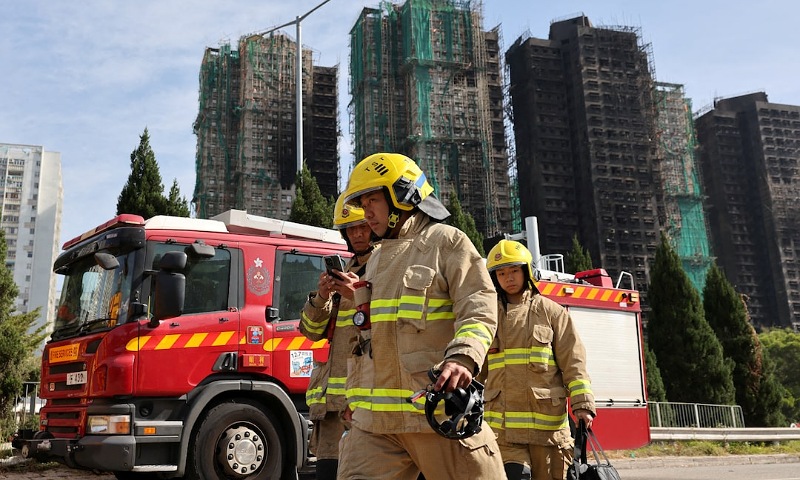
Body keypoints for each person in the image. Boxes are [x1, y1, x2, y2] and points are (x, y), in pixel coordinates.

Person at [336, 152, 506, 480]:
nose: (365, 211)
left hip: (437, 413)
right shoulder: (374, 261)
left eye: (373, 199)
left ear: (402, 195)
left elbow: (479, 305)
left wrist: (462, 358)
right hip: (375, 425)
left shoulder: (446, 242)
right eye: (363, 202)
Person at [483, 239, 596, 480]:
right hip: (502, 433)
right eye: (501, 273)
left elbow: (573, 363)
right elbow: (475, 368)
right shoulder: (487, 317)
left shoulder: (551, 313)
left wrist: (583, 405)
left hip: (546, 433)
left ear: (527, 271)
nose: (508, 278)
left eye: (514, 270)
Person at [299, 193, 376, 480]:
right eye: (350, 229)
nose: (357, 234)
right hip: (333, 406)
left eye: (362, 227)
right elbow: (310, 331)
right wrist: (322, 296)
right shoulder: (346, 273)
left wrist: (360, 294)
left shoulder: (384, 269)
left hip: (366, 401)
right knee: (328, 473)